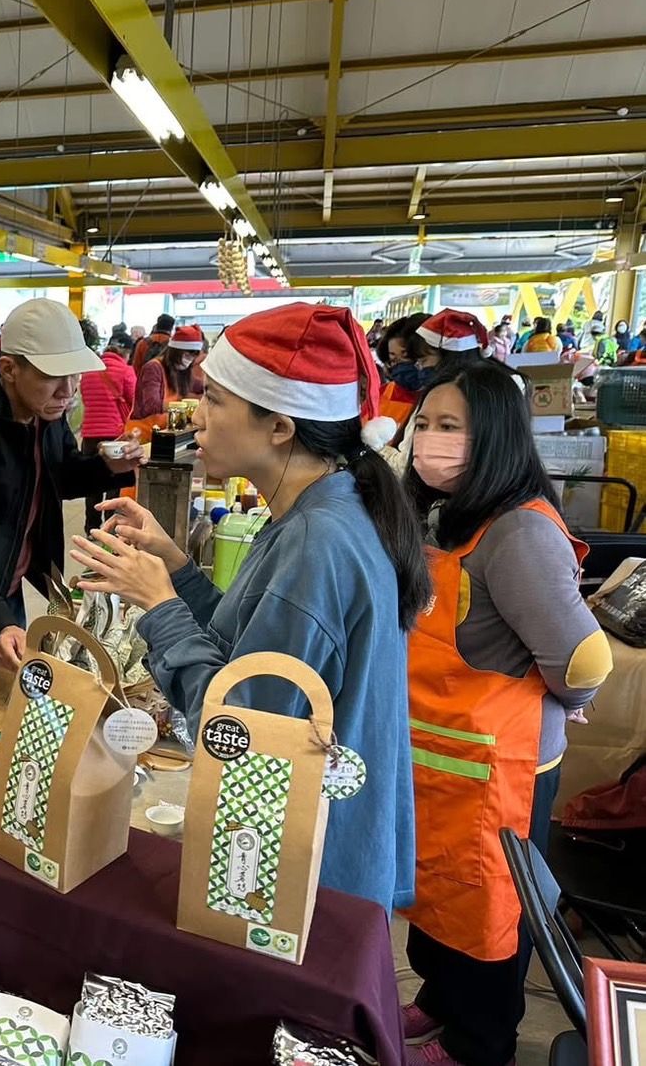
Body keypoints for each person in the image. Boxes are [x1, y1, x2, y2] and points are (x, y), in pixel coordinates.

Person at [71, 302, 428, 912]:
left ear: (280, 427)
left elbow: (237, 729)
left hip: (307, 866)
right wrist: (178, 570)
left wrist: (158, 607)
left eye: (214, 400)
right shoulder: (322, 507)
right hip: (319, 839)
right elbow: (253, 649)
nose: (196, 416)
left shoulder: (317, 543)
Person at [399, 362, 612, 1066]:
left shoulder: (518, 532)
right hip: (440, 754)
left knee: (490, 907)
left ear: (492, 436)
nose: (428, 439)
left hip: (500, 767)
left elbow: (579, 660)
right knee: (439, 890)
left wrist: (565, 700)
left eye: (449, 426)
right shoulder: (446, 513)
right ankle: (438, 999)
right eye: (423, 423)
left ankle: (476, 1041)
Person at [0, 298, 146, 681]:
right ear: (8, 369)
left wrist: (108, 468)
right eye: (54, 376)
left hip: (10, 582)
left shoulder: (45, 415)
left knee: (14, 689)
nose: (68, 391)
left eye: (75, 377)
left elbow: (60, 474)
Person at [77, 330, 138, 534]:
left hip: (90, 434)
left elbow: (86, 398)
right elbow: (133, 400)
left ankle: (91, 527)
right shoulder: (126, 371)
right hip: (115, 434)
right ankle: (109, 526)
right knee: (113, 483)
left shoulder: (89, 371)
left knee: (91, 483)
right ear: (126, 353)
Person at [134, 323, 205, 419]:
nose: (189, 360)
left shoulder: (181, 371)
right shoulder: (153, 368)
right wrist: (183, 404)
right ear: (175, 352)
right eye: (187, 355)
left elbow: (200, 385)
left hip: (168, 427)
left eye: (193, 357)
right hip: (147, 429)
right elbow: (151, 406)